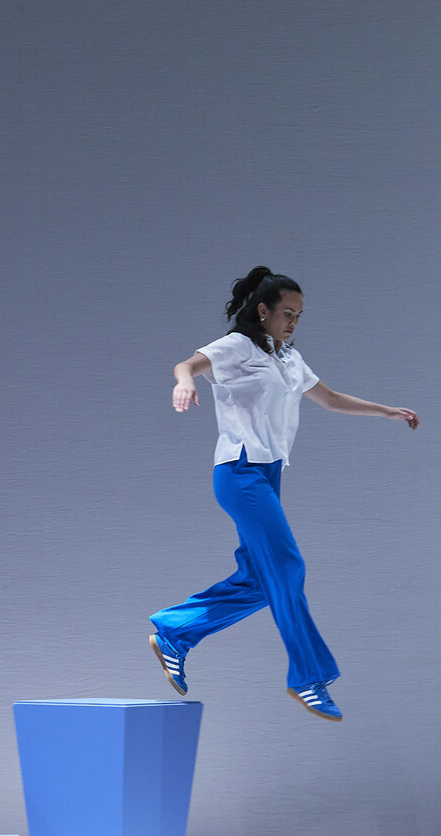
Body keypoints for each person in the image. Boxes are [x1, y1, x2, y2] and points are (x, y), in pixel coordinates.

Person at [149, 266, 419, 721]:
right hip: (239, 471)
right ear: (263, 310)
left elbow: (330, 399)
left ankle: (175, 630)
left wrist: (387, 412)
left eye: (299, 315)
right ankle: (307, 676)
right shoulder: (237, 348)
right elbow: (187, 364)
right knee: (288, 567)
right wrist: (184, 381)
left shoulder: (289, 358)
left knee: (262, 582)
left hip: (268, 474)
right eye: (286, 312)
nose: (293, 320)